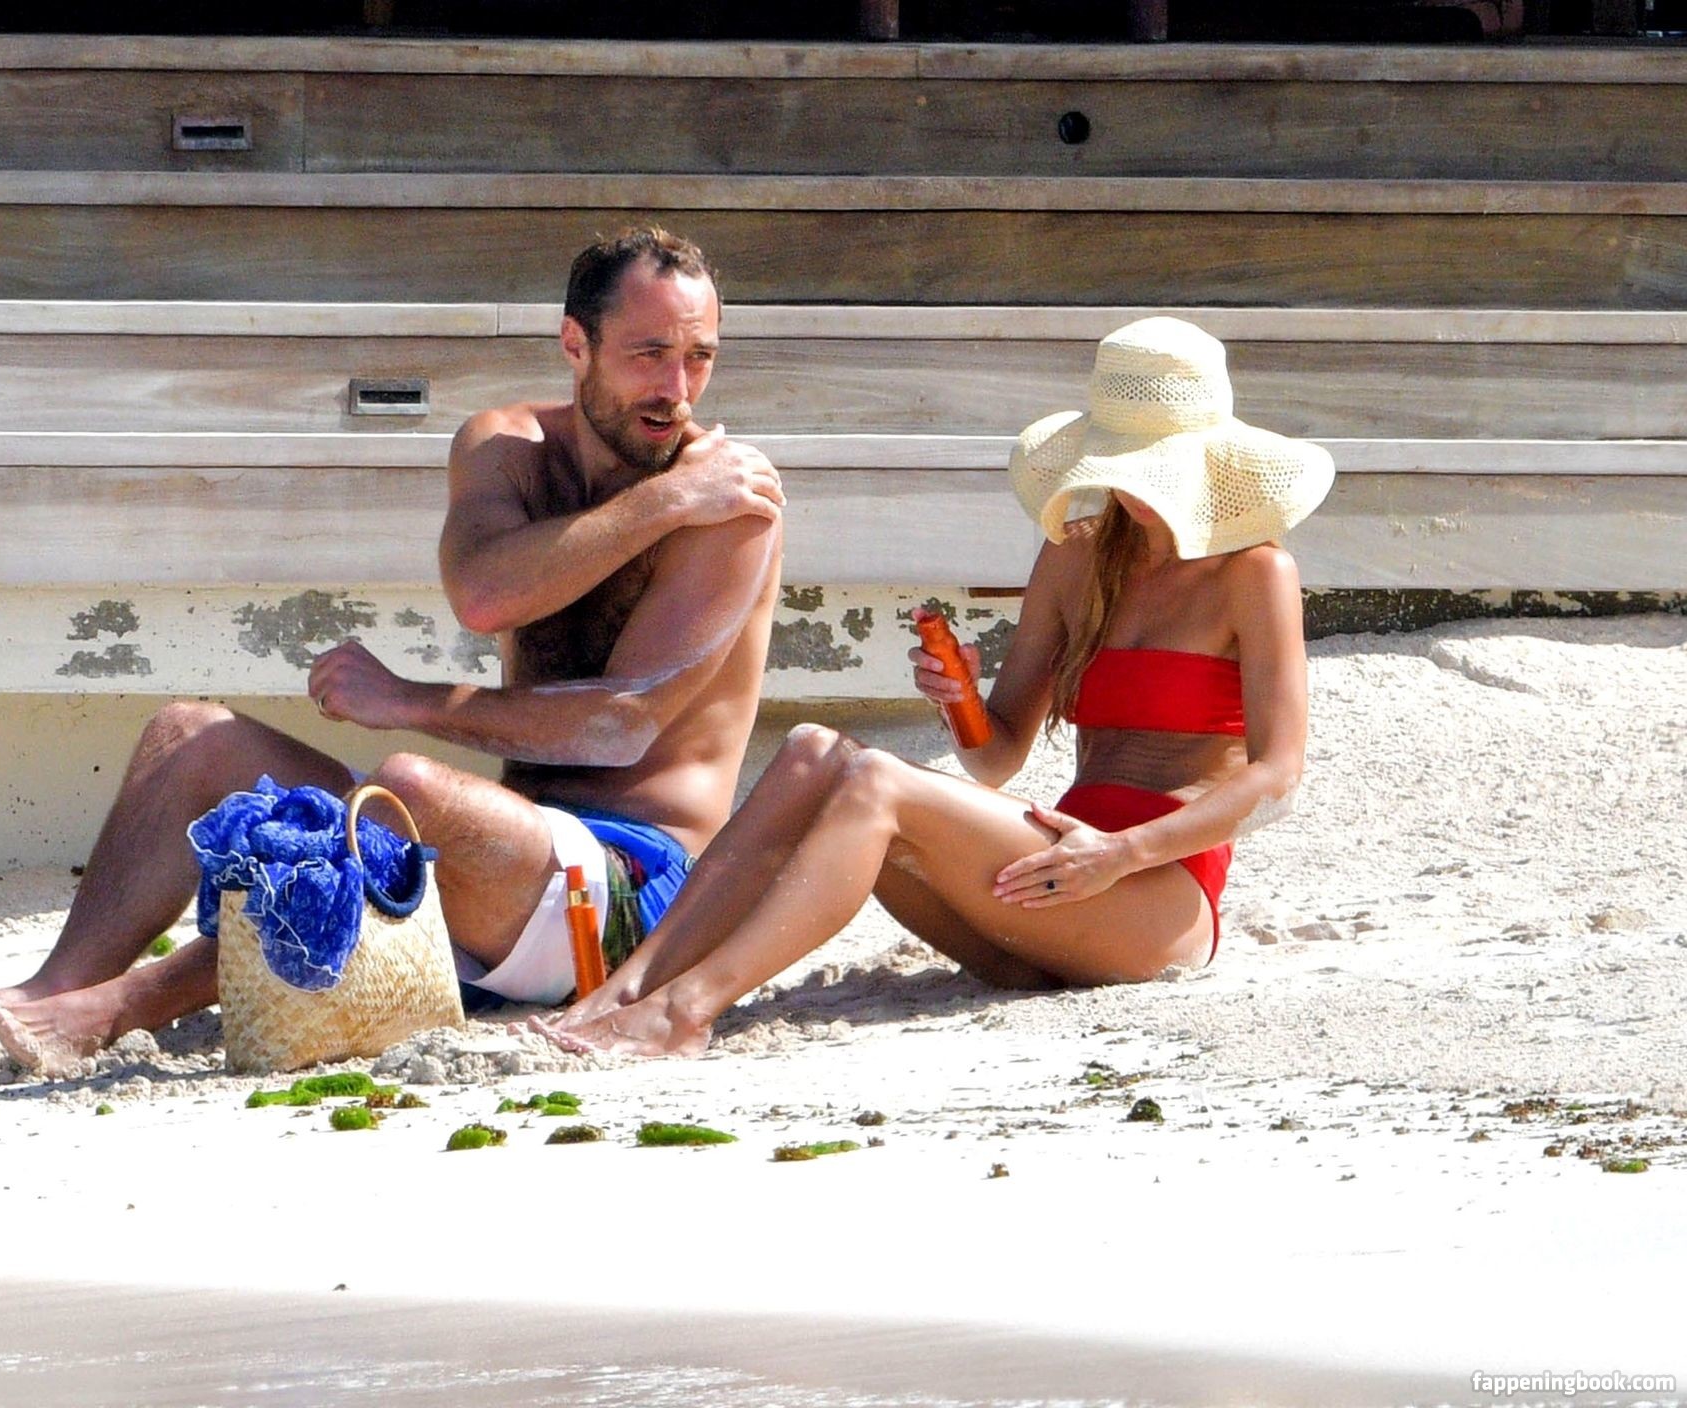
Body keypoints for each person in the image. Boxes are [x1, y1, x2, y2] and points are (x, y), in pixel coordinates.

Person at [0, 227, 784, 1071]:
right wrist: (659, 502)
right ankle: (44, 994)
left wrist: (409, 701)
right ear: (574, 345)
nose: (677, 388)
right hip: (503, 872)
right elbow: (484, 594)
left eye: (699, 356)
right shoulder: (508, 448)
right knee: (191, 737)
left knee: (411, 788)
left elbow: (622, 727)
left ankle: (114, 1009)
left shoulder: (729, 504)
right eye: (648, 354)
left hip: (633, 894)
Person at [540, 316, 1333, 1058]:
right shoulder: (1078, 556)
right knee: (814, 751)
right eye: (1117, 462)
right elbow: (998, 759)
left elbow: (1279, 777)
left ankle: (686, 1011)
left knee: (876, 781)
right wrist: (960, 700)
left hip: (1153, 898)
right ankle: (625, 989)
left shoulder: (1254, 574)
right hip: (1049, 880)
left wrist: (1123, 853)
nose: (1130, 486)